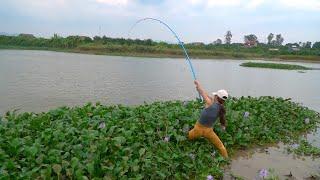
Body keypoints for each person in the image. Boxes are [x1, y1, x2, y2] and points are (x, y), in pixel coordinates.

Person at [188, 80, 229, 158]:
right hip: (209, 132)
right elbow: (205, 95)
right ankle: (226, 159)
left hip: (198, 130)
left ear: (216, 97)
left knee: (188, 137)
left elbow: (202, 92)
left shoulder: (209, 103)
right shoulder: (221, 109)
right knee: (221, 146)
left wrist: (198, 84)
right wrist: (199, 89)